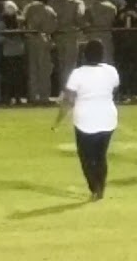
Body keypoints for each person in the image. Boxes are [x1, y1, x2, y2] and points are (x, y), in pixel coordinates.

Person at [51, 39, 118, 201]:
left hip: (85, 120)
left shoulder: (78, 74)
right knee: (101, 155)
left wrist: (58, 121)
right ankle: (101, 187)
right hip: (108, 118)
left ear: (84, 55)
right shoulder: (111, 71)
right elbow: (113, 89)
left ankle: (94, 188)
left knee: (86, 157)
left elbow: (68, 101)